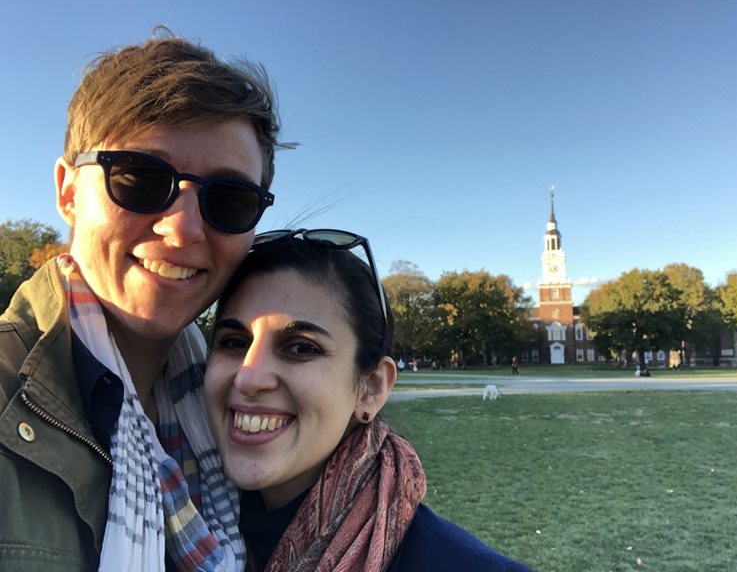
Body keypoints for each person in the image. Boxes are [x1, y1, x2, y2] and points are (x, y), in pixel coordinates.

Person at [0, 30, 289, 571]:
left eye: (228, 199)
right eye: (138, 177)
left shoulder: (234, 403)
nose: (182, 231)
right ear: (68, 192)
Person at [204, 229, 533, 572]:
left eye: (301, 347)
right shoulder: (163, 530)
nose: (248, 377)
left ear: (372, 388)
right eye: (232, 342)